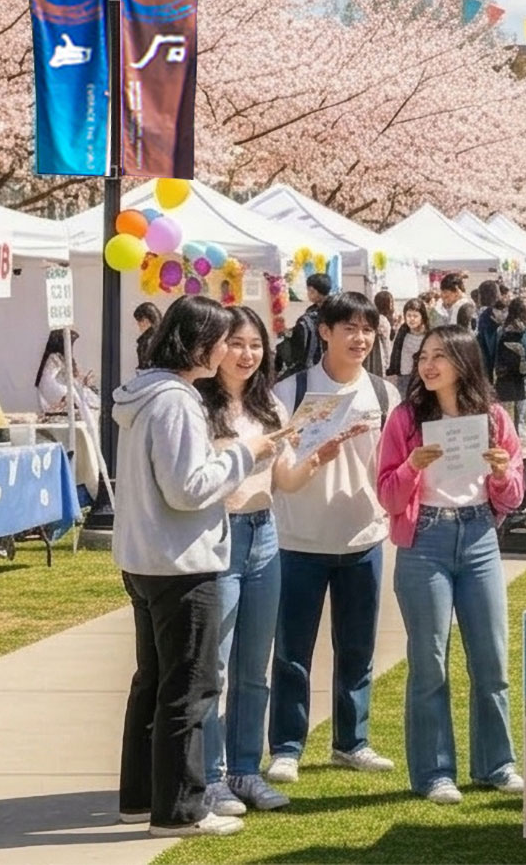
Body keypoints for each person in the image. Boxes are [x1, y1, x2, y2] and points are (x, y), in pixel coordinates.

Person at [112, 295, 280, 838]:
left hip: (145, 559)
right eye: (222, 339)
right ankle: (179, 810)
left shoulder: (144, 394)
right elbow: (189, 489)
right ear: (199, 343)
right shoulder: (176, 401)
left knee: (155, 684)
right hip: (181, 562)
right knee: (189, 687)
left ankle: (141, 799)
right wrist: (245, 454)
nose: (228, 350)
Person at [376, 323, 525, 804]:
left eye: (439, 355)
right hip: (425, 541)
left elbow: (514, 495)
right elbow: (387, 494)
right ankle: (434, 772)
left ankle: (496, 764)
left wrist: (502, 473)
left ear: (464, 361)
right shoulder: (404, 418)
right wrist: (412, 465)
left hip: (479, 535)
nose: (428, 364)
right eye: (423, 356)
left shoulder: (494, 417)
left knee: (491, 660)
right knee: (430, 662)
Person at [267, 292, 401, 787]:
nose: (360, 338)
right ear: (324, 331)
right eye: (349, 328)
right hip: (299, 540)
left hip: (363, 537)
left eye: (368, 329)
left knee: (357, 649)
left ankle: (352, 742)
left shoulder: (386, 395)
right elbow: (276, 470)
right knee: (292, 651)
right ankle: (286, 747)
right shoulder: (291, 390)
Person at [192, 306, 296, 817]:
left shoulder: (268, 403)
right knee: (215, 665)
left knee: (255, 666)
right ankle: (211, 777)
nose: (247, 353)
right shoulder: (198, 405)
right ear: (215, 347)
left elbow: (284, 479)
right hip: (220, 536)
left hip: (265, 532)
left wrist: (316, 456)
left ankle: (245, 771)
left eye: (256, 344)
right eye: (236, 343)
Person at [491, 299, 526, 440]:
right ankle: (525, 455)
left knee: (506, 424)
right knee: (523, 424)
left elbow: (496, 356)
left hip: (504, 381)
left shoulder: (501, 330)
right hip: (524, 382)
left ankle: (509, 451)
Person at [34, 329, 97, 418]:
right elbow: (48, 382)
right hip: (57, 396)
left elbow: (75, 377)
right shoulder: (55, 359)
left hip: (64, 394)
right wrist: (65, 394)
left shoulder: (62, 359)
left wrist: (84, 381)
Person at [279, 273, 331, 375]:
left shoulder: (321, 312)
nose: (308, 294)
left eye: (309, 290)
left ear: (314, 291)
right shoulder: (316, 309)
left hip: (318, 359)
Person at [386, 299, 430, 385]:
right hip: (404, 376)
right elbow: (395, 353)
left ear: (422, 317)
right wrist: (392, 372)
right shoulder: (403, 331)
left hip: (423, 377)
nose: (411, 319)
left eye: (415, 316)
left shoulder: (429, 334)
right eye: (409, 315)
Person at [134, 302, 162, 368]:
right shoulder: (166, 336)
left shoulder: (147, 341)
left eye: (139, 321)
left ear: (145, 321)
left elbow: (145, 367)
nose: (138, 325)